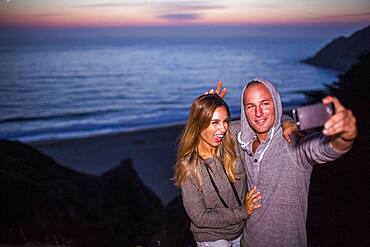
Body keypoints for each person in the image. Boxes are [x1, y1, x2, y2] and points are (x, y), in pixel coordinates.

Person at [224, 78, 357, 247]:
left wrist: (345, 136)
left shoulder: (292, 143)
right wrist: (210, 106)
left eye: (265, 103)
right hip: (248, 241)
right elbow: (213, 131)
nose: (258, 113)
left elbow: (323, 149)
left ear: (276, 104)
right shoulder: (243, 143)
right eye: (251, 106)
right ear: (244, 111)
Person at [174, 94, 261, 247]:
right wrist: (242, 212)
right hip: (212, 237)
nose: (222, 129)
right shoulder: (189, 166)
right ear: (199, 124)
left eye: (225, 121)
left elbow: (263, 120)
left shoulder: (232, 135)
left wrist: (288, 123)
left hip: (242, 229)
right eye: (215, 122)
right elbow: (200, 217)